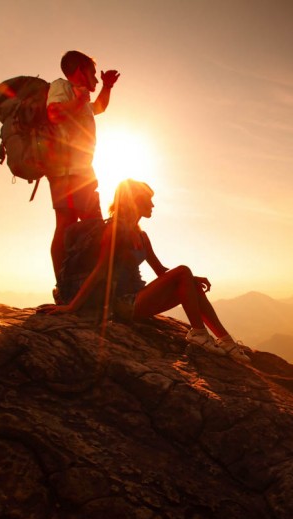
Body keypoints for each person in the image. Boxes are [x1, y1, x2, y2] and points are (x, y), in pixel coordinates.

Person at [45, 179, 251, 363]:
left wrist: (191, 279)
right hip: (123, 304)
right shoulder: (114, 231)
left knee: (190, 282)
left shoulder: (141, 236)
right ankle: (198, 333)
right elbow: (100, 271)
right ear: (133, 201)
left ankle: (225, 340)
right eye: (147, 199)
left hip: (139, 298)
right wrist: (72, 307)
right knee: (183, 271)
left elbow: (161, 271)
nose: (152, 204)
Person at [46, 50, 120, 297]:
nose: (96, 79)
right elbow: (54, 114)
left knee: (93, 227)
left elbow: (99, 107)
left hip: (83, 172)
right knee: (67, 226)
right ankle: (65, 288)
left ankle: (88, 285)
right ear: (79, 70)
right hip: (66, 172)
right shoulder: (61, 86)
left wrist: (107, 87)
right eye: (93, 74)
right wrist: (78, 99)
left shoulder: (81, 96)